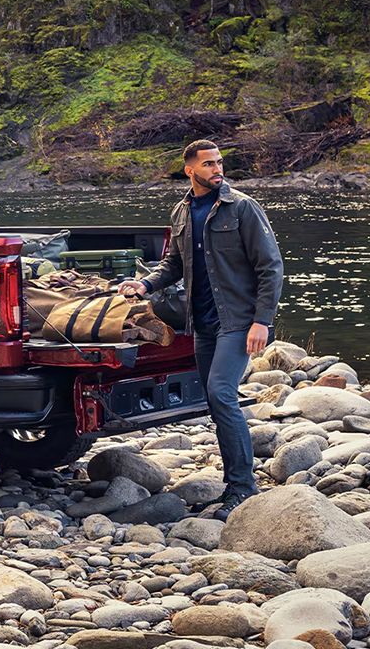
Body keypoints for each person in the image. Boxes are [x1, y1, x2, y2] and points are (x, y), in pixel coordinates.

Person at [118, 139, 284, 519]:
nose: (217, 169)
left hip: (238, 322)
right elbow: (172, 264)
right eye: (208, 164)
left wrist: (262, 321)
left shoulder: (241, 207)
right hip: (203, 324)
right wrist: (144, 286)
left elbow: (270, 267)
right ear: (189, 169)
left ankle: (243, 487)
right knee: (214, 401)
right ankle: (233, 484)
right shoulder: (182, 211)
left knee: (221, 394)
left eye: (219, 163)